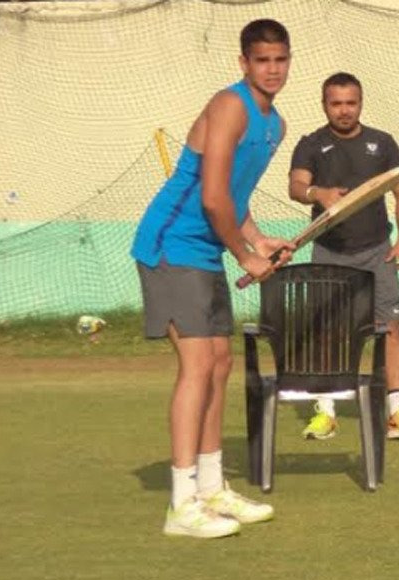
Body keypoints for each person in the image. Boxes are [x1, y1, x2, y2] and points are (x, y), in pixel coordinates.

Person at [130, 19, 294, 539]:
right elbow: (210, 197)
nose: (272, 69)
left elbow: (234, 198)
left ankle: (212, 486)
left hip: (204, 250)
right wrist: (246, 256)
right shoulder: (229, 106)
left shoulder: (276, 124)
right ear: (243, 63)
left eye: (281, 59)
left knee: (220, 364)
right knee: (198, 365)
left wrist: (259, 238)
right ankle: (182, 505)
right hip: (170, 245)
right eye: (262, 60)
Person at [288, 72, 399, 442]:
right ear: (324, 105)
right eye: (336, 103)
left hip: (377, 253)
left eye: (350, 103)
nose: (344, 110)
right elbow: (296, 186)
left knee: (391, 329)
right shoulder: (310, 144)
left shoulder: (382, 144)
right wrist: (317, 193)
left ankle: (397, 413)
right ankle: (326, 414)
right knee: (328, 333)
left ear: (361, 103)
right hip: (329, 251)